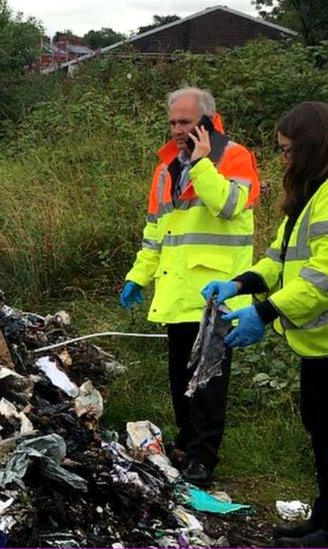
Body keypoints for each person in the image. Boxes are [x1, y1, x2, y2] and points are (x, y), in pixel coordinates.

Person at [119, 87, 261, 486]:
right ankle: (185, 444)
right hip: (177, 290)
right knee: (181, 378)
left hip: (218, 292)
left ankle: (203, 458)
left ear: (207, 121)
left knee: (209, 380)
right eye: (173, 122)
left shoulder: (234, 156)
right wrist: (137, 276)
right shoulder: (166, 168)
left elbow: (230, 205)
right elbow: (155, 233)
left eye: (185, 122)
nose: (178, 130)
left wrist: (200, 165)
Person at [202, 101, 328, 547]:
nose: (283, 159)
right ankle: (323, 519)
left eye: (289, 150)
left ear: (313, 148)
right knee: (319, 428)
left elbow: (322, 275)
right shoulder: (308, 197)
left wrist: (265, 311)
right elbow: (278, 259)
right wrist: (238, 284)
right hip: (316, 344)